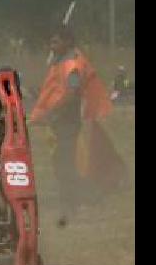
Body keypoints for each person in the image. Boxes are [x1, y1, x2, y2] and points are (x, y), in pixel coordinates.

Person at [28, 27, 117, 226]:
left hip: (67, 121)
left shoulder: (72, 64)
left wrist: (52, 113)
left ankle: (88, 199)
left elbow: (72, 92)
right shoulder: (60, 61)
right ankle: (74, 202)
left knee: (64, 165)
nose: (52, 46)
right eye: (51, 42)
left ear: (67, 42)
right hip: (60, 121)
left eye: (56, 42)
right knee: (62, 164)